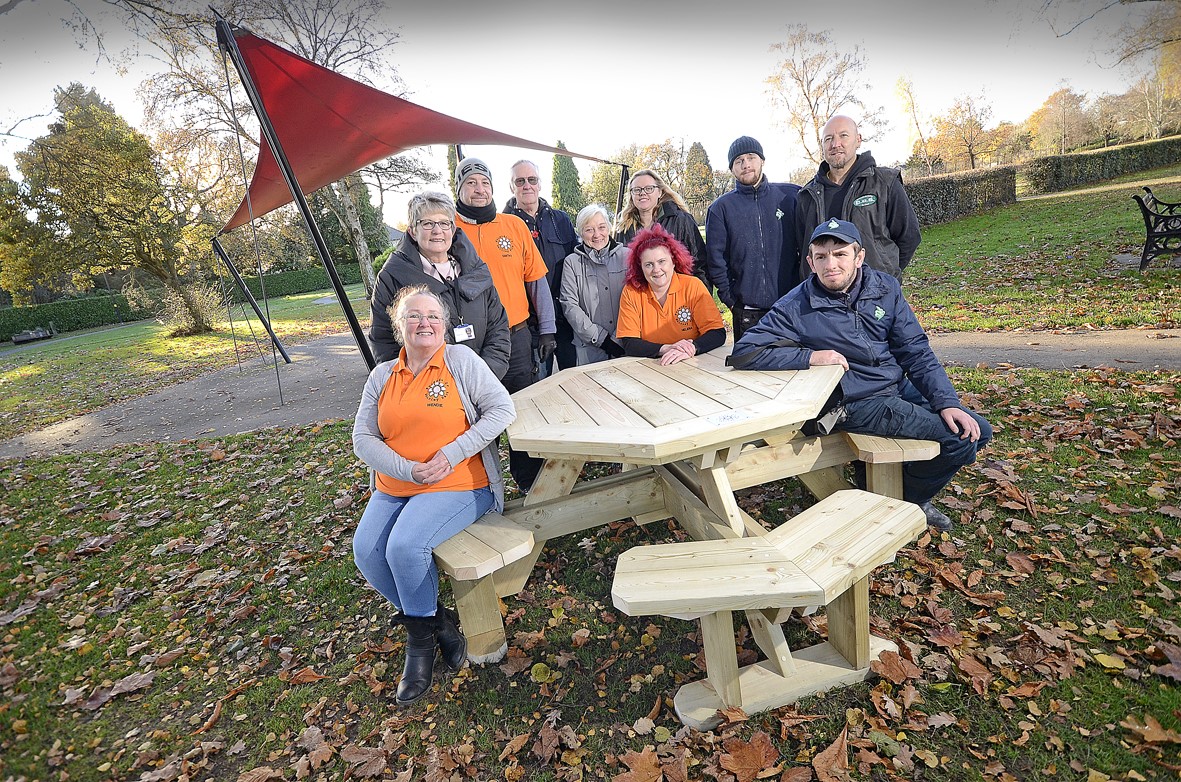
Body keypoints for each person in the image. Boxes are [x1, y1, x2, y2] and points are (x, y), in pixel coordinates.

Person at [730, 219, 991, 531]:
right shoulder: (796, 305)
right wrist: (811, 356)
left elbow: (915, 350)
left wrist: (946, 402)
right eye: (821, 257)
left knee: (979, 431)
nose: (831, 265)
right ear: (811, 262)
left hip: (895, 384)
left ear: (859, 257)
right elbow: (745, 352)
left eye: (840, 254)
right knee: (959, 441)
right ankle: (910, 500)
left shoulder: (885, 288)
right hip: (855, 400)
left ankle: (897, 492)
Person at [352, 285, 515, 706]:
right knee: (367, 551)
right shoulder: (382, 375)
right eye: (414, 316)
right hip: (397, 484)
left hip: (459, 482)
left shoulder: (461, 361)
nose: (424, 323)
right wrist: (407, 469)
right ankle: (436, 622)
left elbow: (502, 410)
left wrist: (451, 453)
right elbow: (362, 439)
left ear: (444, 324)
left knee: (405, 547)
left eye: (433, 316)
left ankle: (419, 647)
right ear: (399, 325)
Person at [452, 157, 554, 492]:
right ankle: (482, 485)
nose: (479, 190)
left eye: (485, 183)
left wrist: (548, 330)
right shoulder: (447, 228)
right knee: (477, 415)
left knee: (521, 409)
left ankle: (529, 480)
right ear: (459, 188)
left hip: (516, 337)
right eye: (471, 183)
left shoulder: (514, 226)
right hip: (469, 343)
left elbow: (536, 281)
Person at [369, 191, 510, 379]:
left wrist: (483, 379)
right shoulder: (392, 278)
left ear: (453, 229)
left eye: (444, 223)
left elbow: (498, 328)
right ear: (412, 231)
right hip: (430, 389)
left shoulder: (475, 269)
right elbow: (384, 342)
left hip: (485, 380)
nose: (437, 231)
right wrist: (433, 387)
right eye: (427, 223)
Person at [793, 115, 921, 283]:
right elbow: (804, 249)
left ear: (858, 140)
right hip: (823, 294)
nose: (835, 144)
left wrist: (885, 276)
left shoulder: (884, 183)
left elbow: (909, 237)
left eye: (843, 135)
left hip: (876, 291)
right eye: (828, 139)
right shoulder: (807, 196)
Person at [705, 135, 802, 339]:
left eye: (751, 157)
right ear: (732, 169)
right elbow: (716, 260)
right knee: (750, 360)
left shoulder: (790, 197)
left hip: (790, 306)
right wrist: (731, 301)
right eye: (739, 161)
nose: (746, 164)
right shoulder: (720, 209)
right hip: (747, 313)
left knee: (793, 358)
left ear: (762, 160)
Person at [502, 159, 578, 374]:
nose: (527, 185)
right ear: (511, 187)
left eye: (532, 180)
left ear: (540, 184)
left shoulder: (560, 220)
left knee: (571, 380)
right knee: (540, 384)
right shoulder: (502, 226)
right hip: (529, 325)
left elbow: (576, 263)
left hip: (564, 318)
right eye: (520, 181)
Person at [616, 223, 726, 366]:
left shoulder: (693, 286)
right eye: (648, 264)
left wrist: (692, 347)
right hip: (652, 366)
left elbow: (717, 333)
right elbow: (630, 343)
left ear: (674, 261)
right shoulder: (631, 292)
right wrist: (666, 348)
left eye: (662, 261)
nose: (656, 269)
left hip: (692, 362)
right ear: (640, 267)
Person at [559, 204, 629, 365]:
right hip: (588, 348)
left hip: (625, 343)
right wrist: (601, 339)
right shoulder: (572, 263)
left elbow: (636, 300)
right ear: (580, 233)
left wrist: (618, 337)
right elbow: (570, 305)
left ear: (609, 228)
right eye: (589, 230)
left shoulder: (627, 257)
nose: (597, 234)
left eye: (601, 227)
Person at [614, 169, 709, 282]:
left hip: (679, 289)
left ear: (659, 192)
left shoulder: (681, 220)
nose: (642, 193)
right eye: (637, 189)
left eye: (649, 188)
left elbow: (699, 263)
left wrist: (702, 291)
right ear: (631, 195)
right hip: (640, 291)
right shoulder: (624, 227)